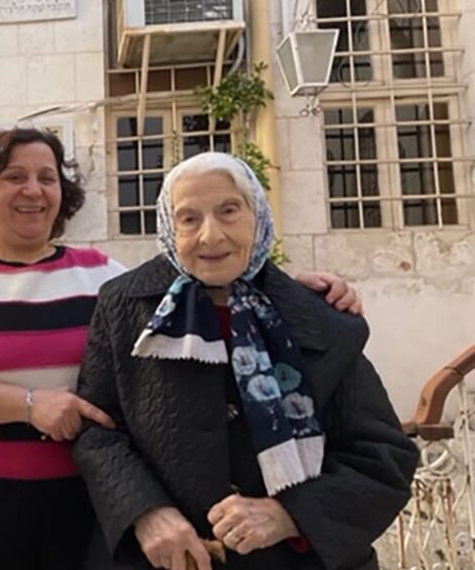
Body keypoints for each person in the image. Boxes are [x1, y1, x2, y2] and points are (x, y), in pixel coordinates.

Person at [0, 130, 362, 570]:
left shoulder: (99, 273)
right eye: (15, 177)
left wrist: (281, 290)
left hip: (82, 499)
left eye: (47, 178)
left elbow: (184, 286)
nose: (33, 190)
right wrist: (31, 407)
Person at [73, 151, 418, 570]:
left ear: (258, 216)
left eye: (229, 211)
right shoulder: (123, 306)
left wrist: (291, 515)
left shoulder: (320, 319)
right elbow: (97, 430)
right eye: (189, 218)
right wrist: (144, 513)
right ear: (167, 225)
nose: (211, 236)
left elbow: (382, 456)